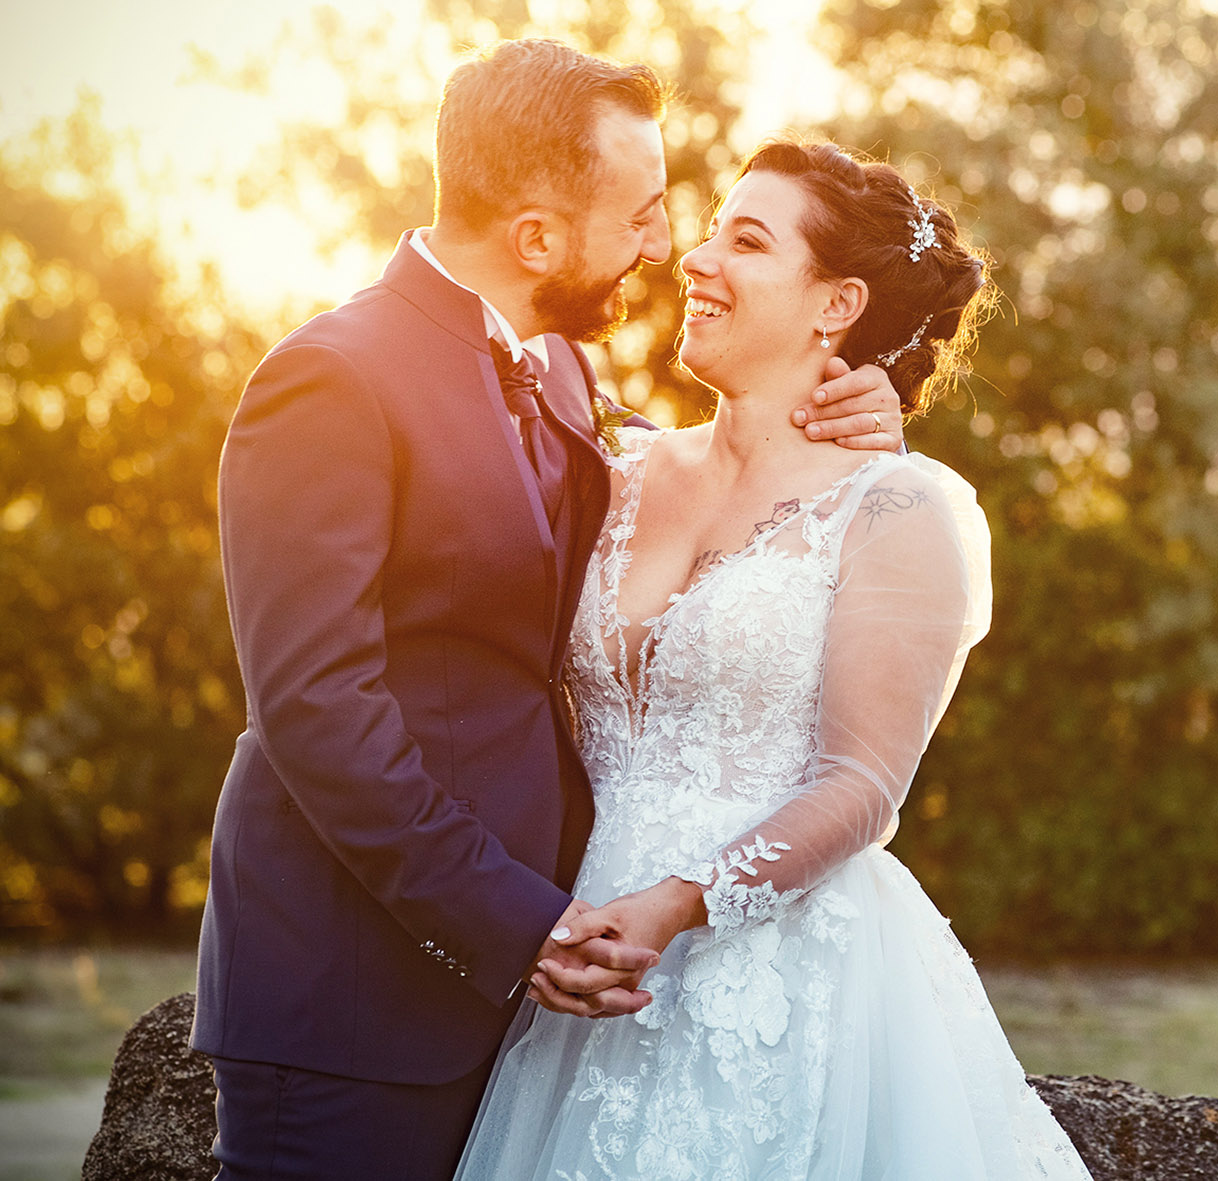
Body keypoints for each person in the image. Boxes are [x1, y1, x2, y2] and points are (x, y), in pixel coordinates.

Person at [191, 41, 907, 1180]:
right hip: (353, 991)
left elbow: (690, 502)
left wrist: (853, 399)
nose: (663, 246)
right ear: (535, 236)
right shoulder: (328, 379)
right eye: (639, 214)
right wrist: (519, 923)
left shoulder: (561, 373)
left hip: (519, 1003)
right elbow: (317, 709)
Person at [453, 138, 1092, 1180]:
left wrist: (672, 903)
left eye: (744, 241)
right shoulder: (608, 470)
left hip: (782, 981)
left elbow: (863, 786)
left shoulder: (895, 506)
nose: (695, 260)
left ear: (834, 305)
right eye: (708, 231)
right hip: (583, 956)